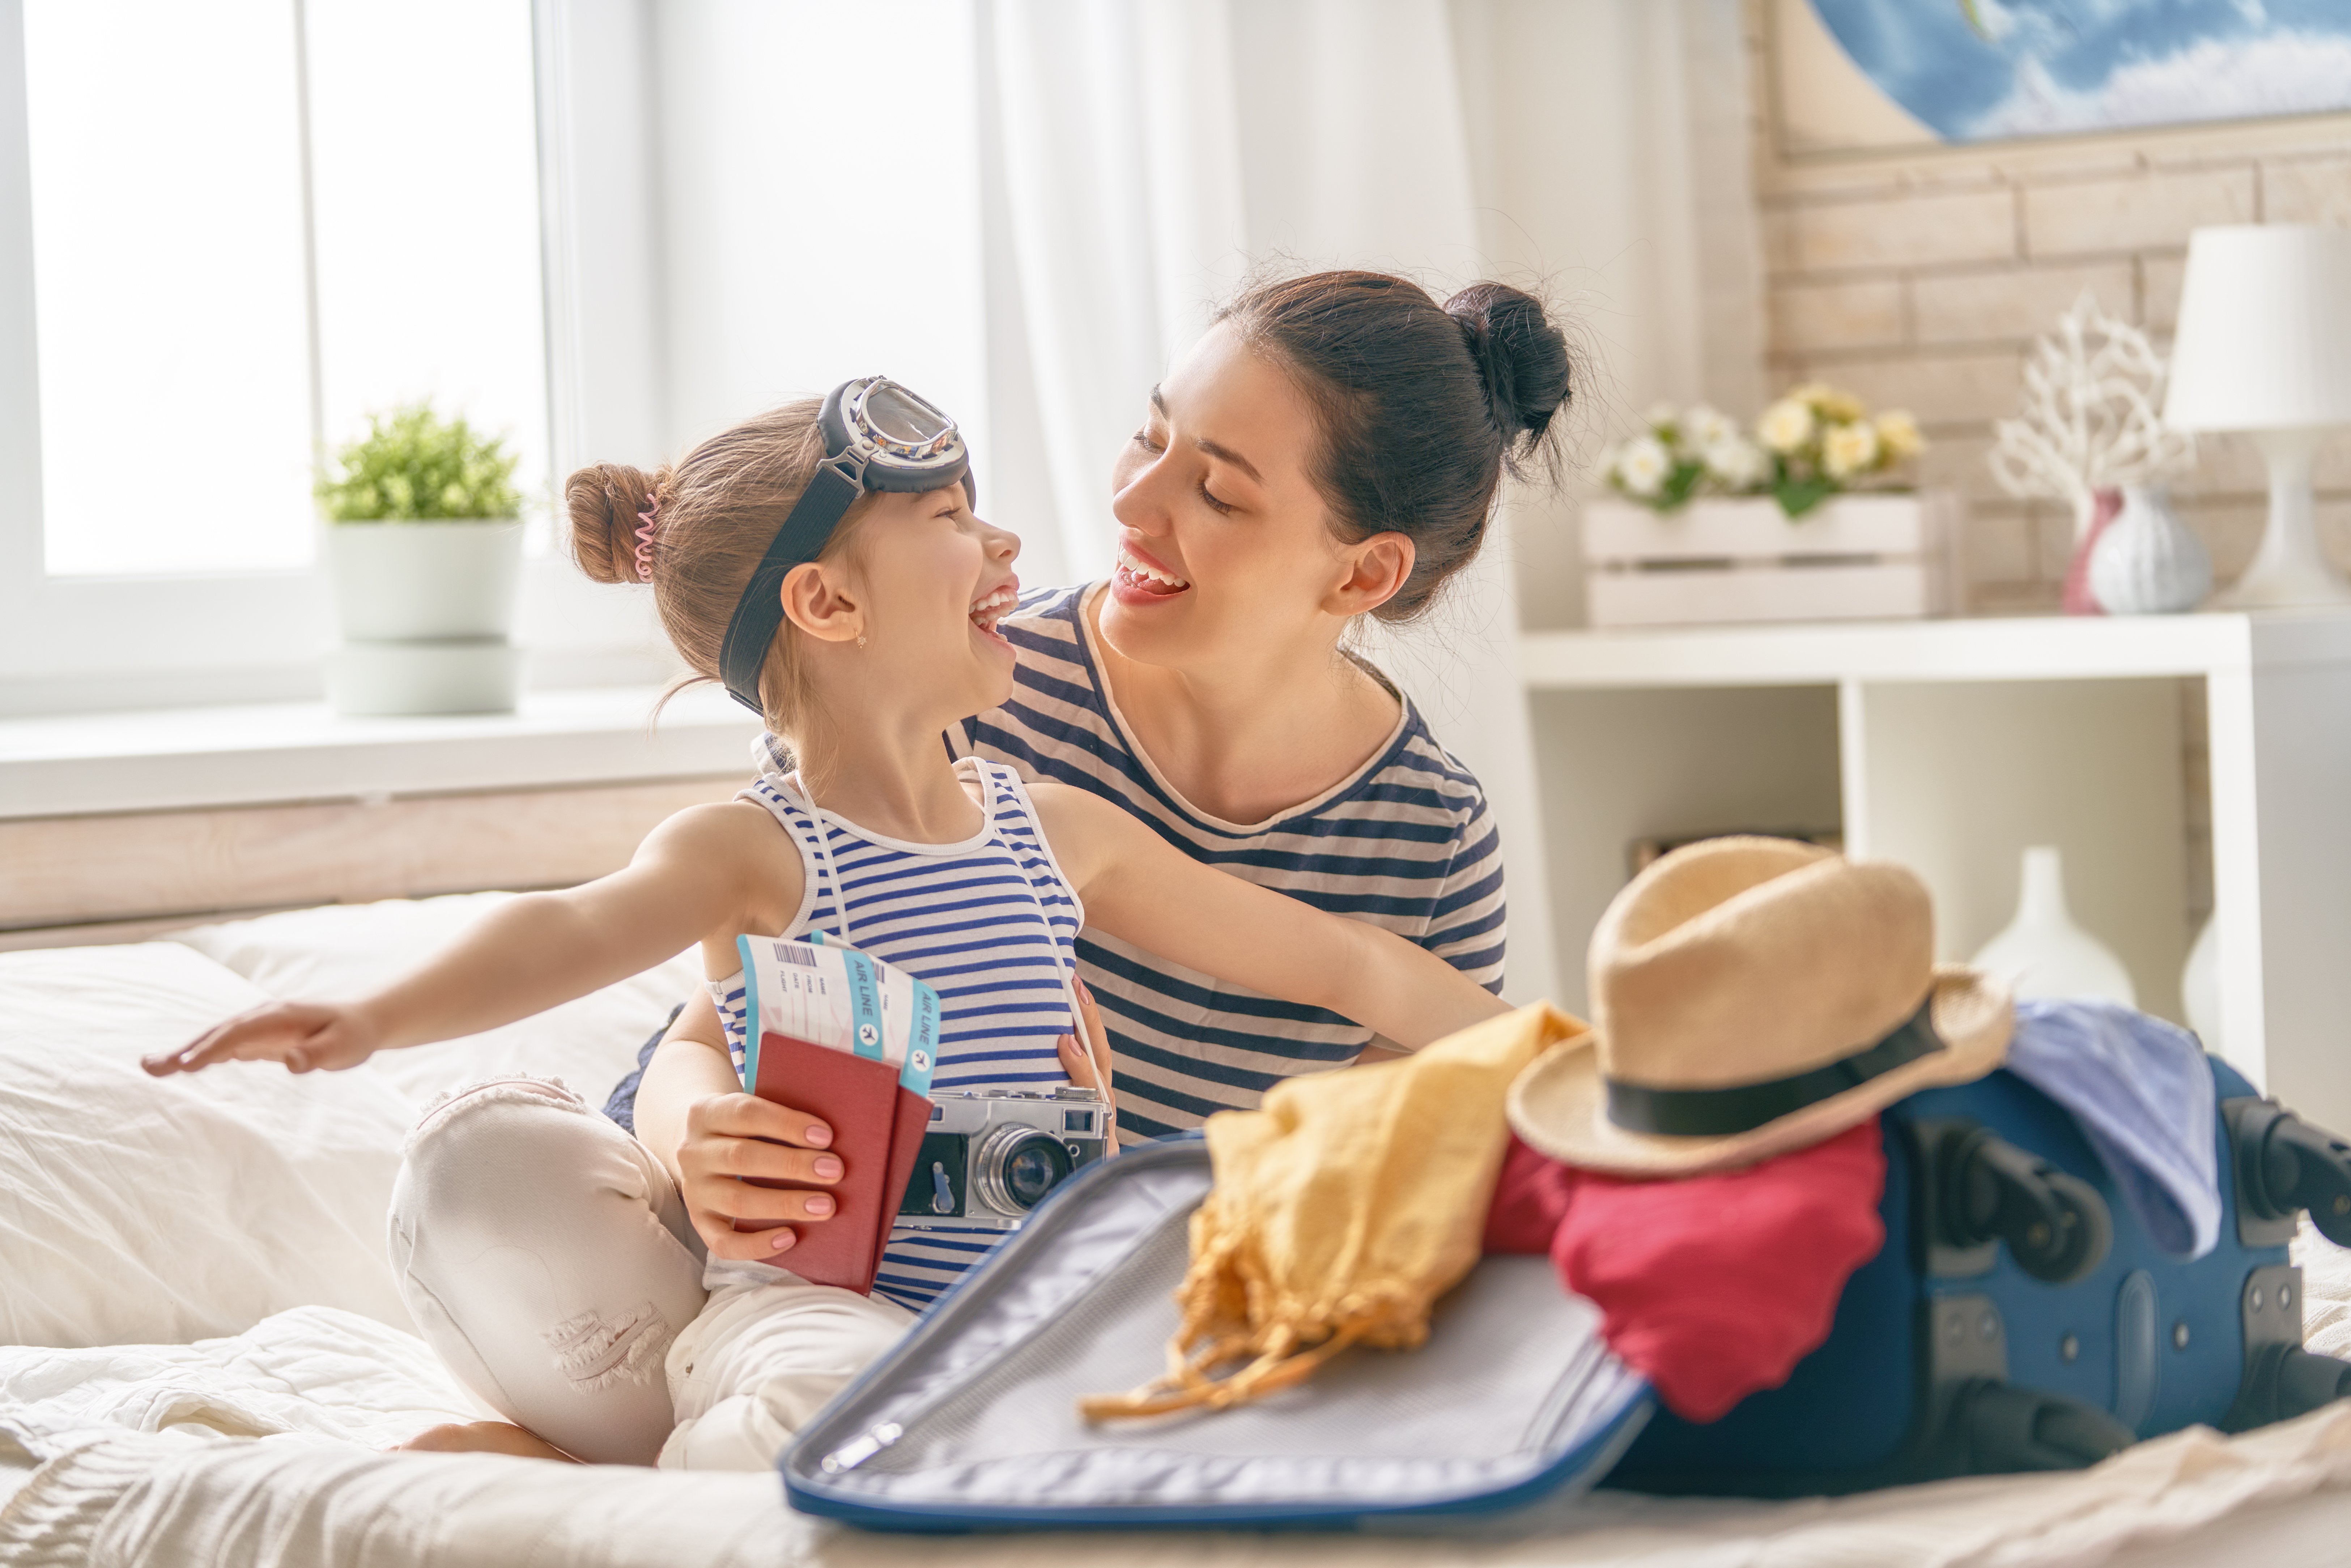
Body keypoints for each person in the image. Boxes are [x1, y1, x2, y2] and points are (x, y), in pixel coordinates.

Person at [144, 377, 1515, 1470]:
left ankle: (610, 1455)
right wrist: (371, 1017)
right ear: (827, 601)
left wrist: (1582, 1060)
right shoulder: (759, 850)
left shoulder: (1056, 830)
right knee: (819, 1396)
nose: (1008, 546)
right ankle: (665, 1482)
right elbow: (570, 930)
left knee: (1202, 1391)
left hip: (1038, 1292)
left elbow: (1346, 963)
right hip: (821, 1301)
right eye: (952, 523)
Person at [621, 269, 1574, 1265]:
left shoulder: (1429, 841)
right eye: (1150, 437)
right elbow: (705, 1039)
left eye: (1214, 490)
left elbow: (1349, 1198)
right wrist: (693, 1132)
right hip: (799, 1237)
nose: (1130, 498)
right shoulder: (958, 686)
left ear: (1363, 572)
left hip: (1100, 1291)